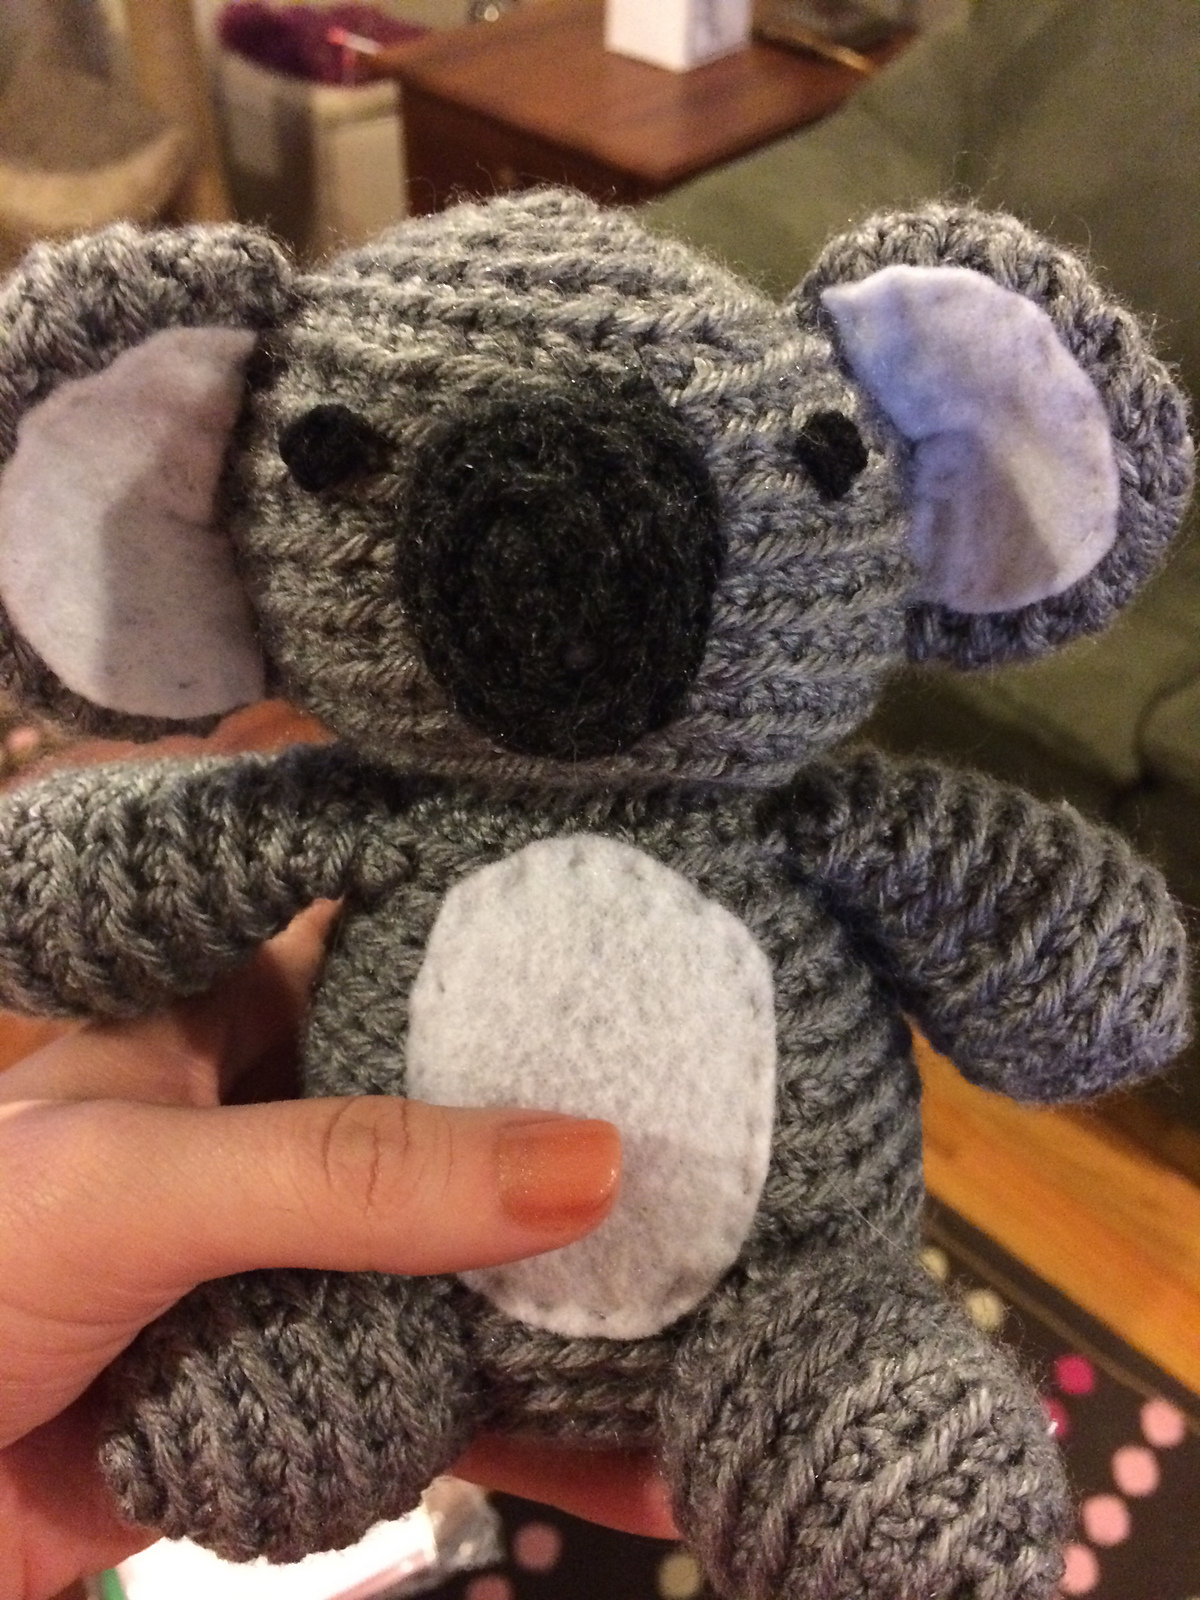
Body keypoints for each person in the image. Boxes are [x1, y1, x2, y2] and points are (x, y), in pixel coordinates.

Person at [0, 717, 678, 1600]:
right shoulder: (389, 806)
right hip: (395, 1297)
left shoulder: (804, 824)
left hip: (770, 1306)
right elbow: (71, 891)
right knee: (291, 1399)